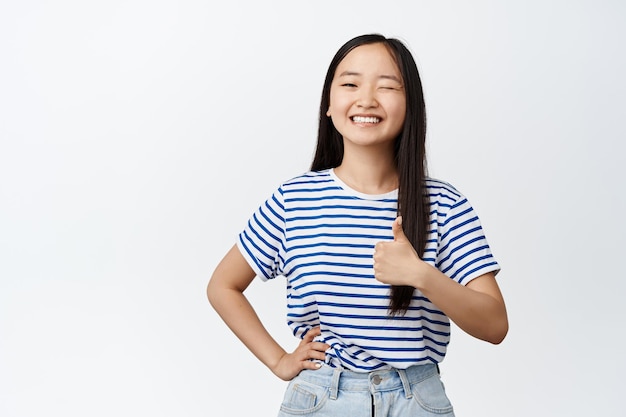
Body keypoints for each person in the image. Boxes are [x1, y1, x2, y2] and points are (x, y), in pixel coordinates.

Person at [207, 33, 508, 417]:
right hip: (320, 398)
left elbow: (495, 324)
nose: (366, 99)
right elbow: (223, 285)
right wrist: (279, 360)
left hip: (414, 400)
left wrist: (421, 274)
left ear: (410, 105)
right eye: (350, 84)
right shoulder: (294, 200)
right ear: (329, 105)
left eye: (387, 86)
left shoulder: (445, 205)